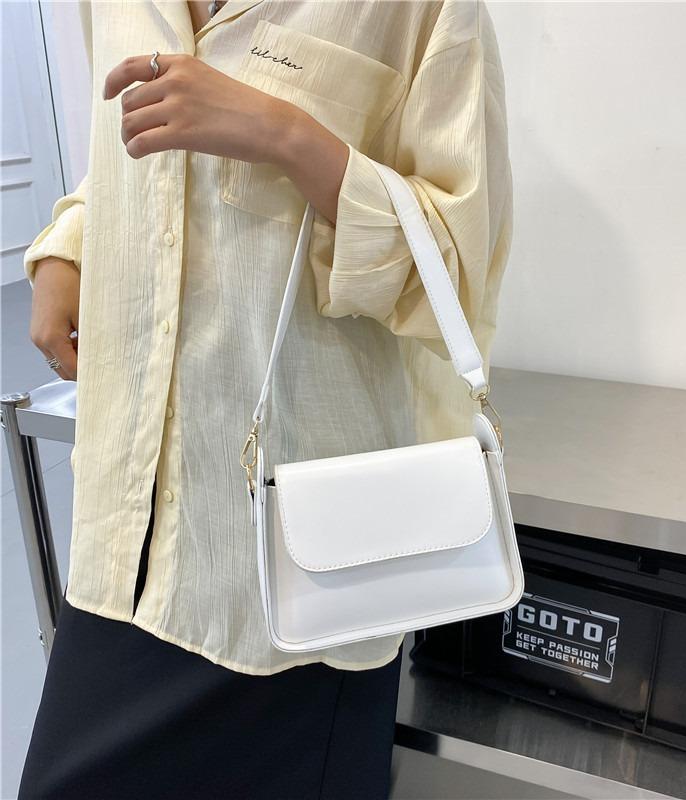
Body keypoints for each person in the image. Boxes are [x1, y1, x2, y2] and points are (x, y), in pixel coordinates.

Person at [18, 0, 514, 797]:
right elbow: (122, 156)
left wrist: (287, 135)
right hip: (123, 542)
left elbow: (456, 269)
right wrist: (66, 248)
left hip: (302, 583)